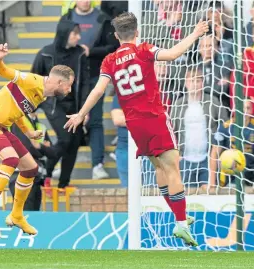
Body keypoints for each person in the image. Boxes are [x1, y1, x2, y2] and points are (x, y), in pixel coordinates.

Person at [64, 12, 209, 246]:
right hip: (154, 117)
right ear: (137, 32)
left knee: (160, 167)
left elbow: (99, 90)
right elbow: (172, 54)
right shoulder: (144, 50)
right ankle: (182, 224)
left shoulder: (109, 61)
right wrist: (194, 33)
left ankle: (178, 215)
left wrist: (81, 114)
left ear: (116, 36)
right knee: (173, 165)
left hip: (134, 124)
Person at [0, 43, 74, 238]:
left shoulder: (41, 95)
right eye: (69, 85)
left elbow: (18, 112)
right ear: (59, 83)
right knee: (10, 160)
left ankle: (16, 215)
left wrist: (29, 133)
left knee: (30, 168)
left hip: (1, 126)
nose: (69, 90)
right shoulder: (32, 80)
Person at [60, 0, 119, 179]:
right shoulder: (67, 17)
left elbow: (113, 47)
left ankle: (97, 165)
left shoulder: (103, 18)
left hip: (95, 76)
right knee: (69, 121)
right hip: (71, 77)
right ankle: (63, 166)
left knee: (95, 120)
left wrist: (90, 51)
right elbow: (60, 43)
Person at [31, 20, 90, 191]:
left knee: (74, 141)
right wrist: (32, 108)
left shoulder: (80, 54)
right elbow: (33, 78)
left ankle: (63, 184)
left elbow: (85, 83)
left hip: (75, 105)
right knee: (65, 139)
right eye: (75, 34)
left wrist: (84, 110)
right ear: (65, 34)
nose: (78, 37)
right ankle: (46, 173)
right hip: (53, 104)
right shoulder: (45, 54)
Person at [171, 67, 228, 192]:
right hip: (184, 159)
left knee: (210, 194)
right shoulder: (178, 104)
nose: (194, 84)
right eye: (191, 81)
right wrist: (176, 153)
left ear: (202, 83)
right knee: (185, 196)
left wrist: (217, 149)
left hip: (208, 159)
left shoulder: (213, 101)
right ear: (186, 83)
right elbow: (171, 131)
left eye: (197, 81)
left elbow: (226, 125)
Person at [210, 100, 254, 187]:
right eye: (242, 108)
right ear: (235, 109)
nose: (245, 111)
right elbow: (214, 154)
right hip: (231, 175)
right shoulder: (225, 127)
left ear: (251, 111)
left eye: (248, 108)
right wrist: (212, 183)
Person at [8, 113, 53, 211]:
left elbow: (52, 152)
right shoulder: (19, 121)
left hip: (36, 177)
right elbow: (26, 148)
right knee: (24, 213)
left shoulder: (40, 126)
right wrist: (43, 148)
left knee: (33, 214)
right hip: (21, 174)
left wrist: (39, 146)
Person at [110, 94, 128, 187]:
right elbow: (118, 120)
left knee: (150, 192)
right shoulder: (121, 94)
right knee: (128, 191)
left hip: (150, 148)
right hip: (125, 148)